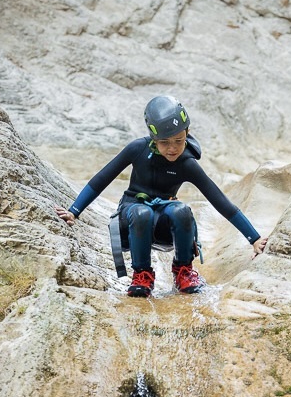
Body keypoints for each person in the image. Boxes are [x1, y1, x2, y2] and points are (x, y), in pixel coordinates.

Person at [56, 95, 267, 298]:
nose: (173, 148)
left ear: (187, 132)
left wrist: (254, 238)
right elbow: (102, 179)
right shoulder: (137, 149)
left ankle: (184, 271)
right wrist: (74, 211)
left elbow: (220, 201)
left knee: (182, 210)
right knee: (141, 212)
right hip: (132, 216)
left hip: (163, 221)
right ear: (153, 138)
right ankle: (142, 275)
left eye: (179, 140)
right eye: (164, 142)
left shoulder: (187, 163)